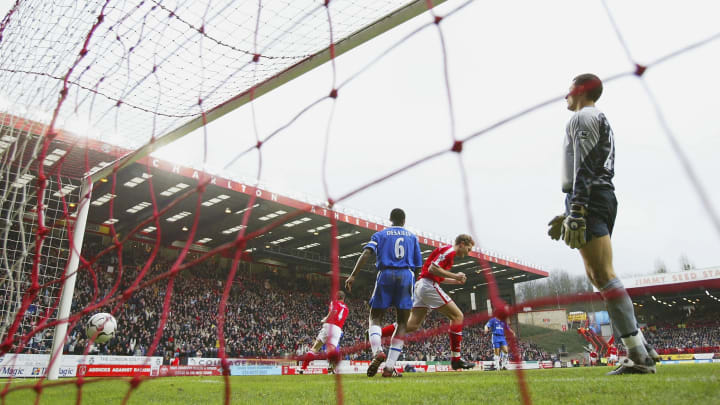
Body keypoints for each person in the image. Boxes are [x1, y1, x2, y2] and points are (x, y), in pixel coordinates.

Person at [547, 73, 660, 375]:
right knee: (599, 278)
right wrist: (572, 207)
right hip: (597, 196)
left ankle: (637, 354)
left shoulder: (583, 117)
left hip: (591, 197)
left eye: (569, 88)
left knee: (604, 276)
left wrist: (578, 208)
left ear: (581, 90)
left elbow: (584, 165)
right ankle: (642, 347)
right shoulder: (597, 118)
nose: (565, 95)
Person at [379, 234, 476, 370]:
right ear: (462, 244)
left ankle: (376, 334)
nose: (468, 253)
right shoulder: (449, 251)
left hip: (423, 285)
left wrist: (455, 280)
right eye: (469, 249)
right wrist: (456, 275)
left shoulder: (448, 254)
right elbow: (432, 268)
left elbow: (436, 274)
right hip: (427, 286)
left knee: (412, 325)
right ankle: (456, 359)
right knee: (458, 316)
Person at [345, 208, 422, 378]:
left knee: (375, 317)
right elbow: (418, 266)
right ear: (404, 221)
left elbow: (366, 253)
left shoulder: (380, 235)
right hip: (406, 276)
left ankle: (377, 351)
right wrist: (413, 284)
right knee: (402, 323)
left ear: (390, 219)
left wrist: (353, 276)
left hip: (386, 274)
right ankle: (389, 367)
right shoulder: (412, 237)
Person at [301, 290, 349, 371]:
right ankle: (331, 368)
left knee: (315, 347)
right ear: (343, 298)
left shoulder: (334, 302)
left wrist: (325, 319)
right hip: (337, 329)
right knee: (332, 350)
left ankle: (303, 368)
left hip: (329, 326)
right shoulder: (346, 308)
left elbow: (334, 311)